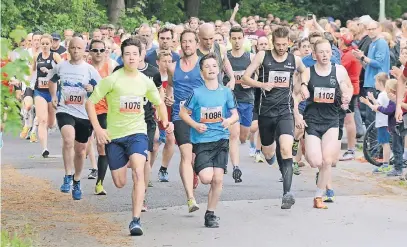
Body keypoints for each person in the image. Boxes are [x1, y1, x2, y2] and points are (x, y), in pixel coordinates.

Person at [85, 38, 173, 236]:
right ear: (122, 56)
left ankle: (135, 220)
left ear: (141, 55)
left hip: (137, 134)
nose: (132, 57)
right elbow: (90, 103)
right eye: (127, 54)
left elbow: (159, 102)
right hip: (115, 137)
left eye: (135, 54)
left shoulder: (145, 81)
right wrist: (98, 129)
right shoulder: (112, 79)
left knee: (138, 172)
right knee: (119, 182)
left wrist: (164, 120)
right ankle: (126, 158)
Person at [242, 27, 309, 209]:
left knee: (287, 150)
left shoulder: (294, 59)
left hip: (285, 111)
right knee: (269, 153)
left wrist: (303, 84)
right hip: (266, 112)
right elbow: (245, 78)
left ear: (289, 42)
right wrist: (262, 84)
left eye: (284, 44)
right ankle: (271, 156)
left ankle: (287, 193)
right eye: (278, 44)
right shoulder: (263, 56)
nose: (281, 48)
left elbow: (305, 70)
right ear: (273, 42)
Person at [180, 53, 238, 228]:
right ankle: (197, 166)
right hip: (202, 142)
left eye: (214, 66)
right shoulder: (196, 93)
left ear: (219, 70)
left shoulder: (226, 92)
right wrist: (196, 125)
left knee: (218, 179)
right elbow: (183, 113)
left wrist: (229, 120)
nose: (211, 69)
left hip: (221, 139)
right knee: (206, 178)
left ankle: (210, 213)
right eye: (207, 66)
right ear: (201, 71)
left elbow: (235, 114)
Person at [48, 37, 101, 200]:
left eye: (79, 48)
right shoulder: (60, 66)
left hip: (83, 114)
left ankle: (77, 180)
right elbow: (52, 80)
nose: (76, 51)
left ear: (84, 50)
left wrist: (92, 88)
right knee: (68, 139)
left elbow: (101, 89)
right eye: (73, 48)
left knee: (80, 150)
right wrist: (53, 96)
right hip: (65, 110)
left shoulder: (90, 70)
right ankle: (67, 175)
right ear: (68, 49)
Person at [302, 39, 352, 209]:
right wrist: (302, 90)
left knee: (328, 160)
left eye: (327, 51)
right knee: (316, 161)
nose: (324, 55)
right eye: (321, 52)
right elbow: (299, 89)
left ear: (332, 53)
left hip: (331, 119)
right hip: (312, 120)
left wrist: (347, 96)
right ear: (314, 55)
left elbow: (347, 87)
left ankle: (318, 196)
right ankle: (319, 171)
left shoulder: (338, 70)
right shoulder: (308, 72)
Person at [165, 29, 204, 213]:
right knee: (186, 155)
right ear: (180, 44)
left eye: (190, 41)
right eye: (184, 41)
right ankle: (190, 198)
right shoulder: (173, 67)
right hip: (180, 116)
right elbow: (171, 86)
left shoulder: (203, 65)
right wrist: (169, 97)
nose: (187, 45)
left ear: (196, 43)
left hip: (200, 116)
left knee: (196, 157)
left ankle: (196, 171)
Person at [224, 26, 255, 182]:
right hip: (230, 101)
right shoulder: (226, 58)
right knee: (233, 135)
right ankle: (236, 167)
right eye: (234, 38)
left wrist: (250, 83)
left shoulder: (250, 57)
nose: (236, 41)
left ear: (244, 39)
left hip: (246, 100)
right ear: (230, 39)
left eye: (239, 38)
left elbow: (258, 78)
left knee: (244, 136)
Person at [88, 39, 114, 195]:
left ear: (105, 52)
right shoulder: (85, 67)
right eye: (95, 50)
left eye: (101, 50)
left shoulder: (110, 67)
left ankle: (99, 183)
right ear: (90, 52)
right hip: (85, 111)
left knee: (102, 146)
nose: (98, 53)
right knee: (81, 147)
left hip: (103, 110)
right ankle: (73, 176)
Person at [32, 34, 62, 157]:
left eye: (46, 44)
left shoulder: (55, 56)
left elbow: (62, 70)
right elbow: (33, 71)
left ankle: (51, 125)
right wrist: (26, 86)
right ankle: (44, 149)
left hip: (52, 92)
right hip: (39, 91)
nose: (44, 46)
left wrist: (50, 72)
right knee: (42, 120)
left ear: (50, 44)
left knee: (51, 123)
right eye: (42, 43)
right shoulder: (36, 56)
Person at [360, 73, 391, 173]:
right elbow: (379, 104)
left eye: (376, 82)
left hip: (383, 122)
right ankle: (386, 163)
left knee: (385, 143)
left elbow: (377, 108)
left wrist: (367, 102)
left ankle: (386, 164)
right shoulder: (385, 94)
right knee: (384, 143)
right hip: (385, 122)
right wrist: (373, 99)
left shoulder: (382, 94)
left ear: (380, 82)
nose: (374, 84)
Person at [338, 33, 362, 161]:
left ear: (342, 41)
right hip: (352, 87)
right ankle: (350, 149)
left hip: (349, 89)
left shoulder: (348, 55)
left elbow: (338, 69)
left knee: (348, 120)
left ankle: (351, 150)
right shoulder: (353, 52)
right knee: (348, 119)